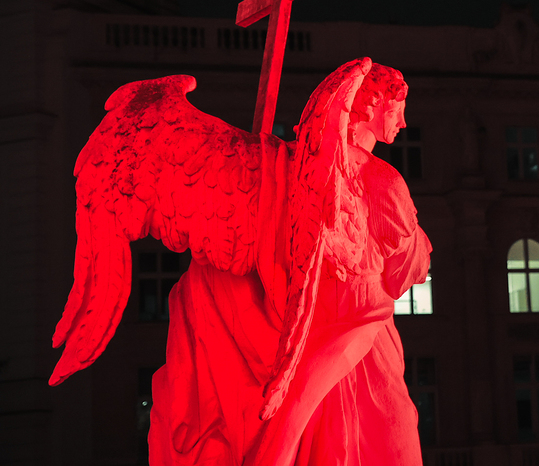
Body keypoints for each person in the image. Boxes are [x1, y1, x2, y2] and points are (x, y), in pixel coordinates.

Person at [145, 60, 431, 466]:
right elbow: (407, 272)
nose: (402, 123)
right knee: (382, 435)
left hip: (304, 328)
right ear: (370, 106)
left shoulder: (287, 170)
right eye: (397, 109)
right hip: (361, 326)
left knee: (317, 437)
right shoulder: (383, 180)